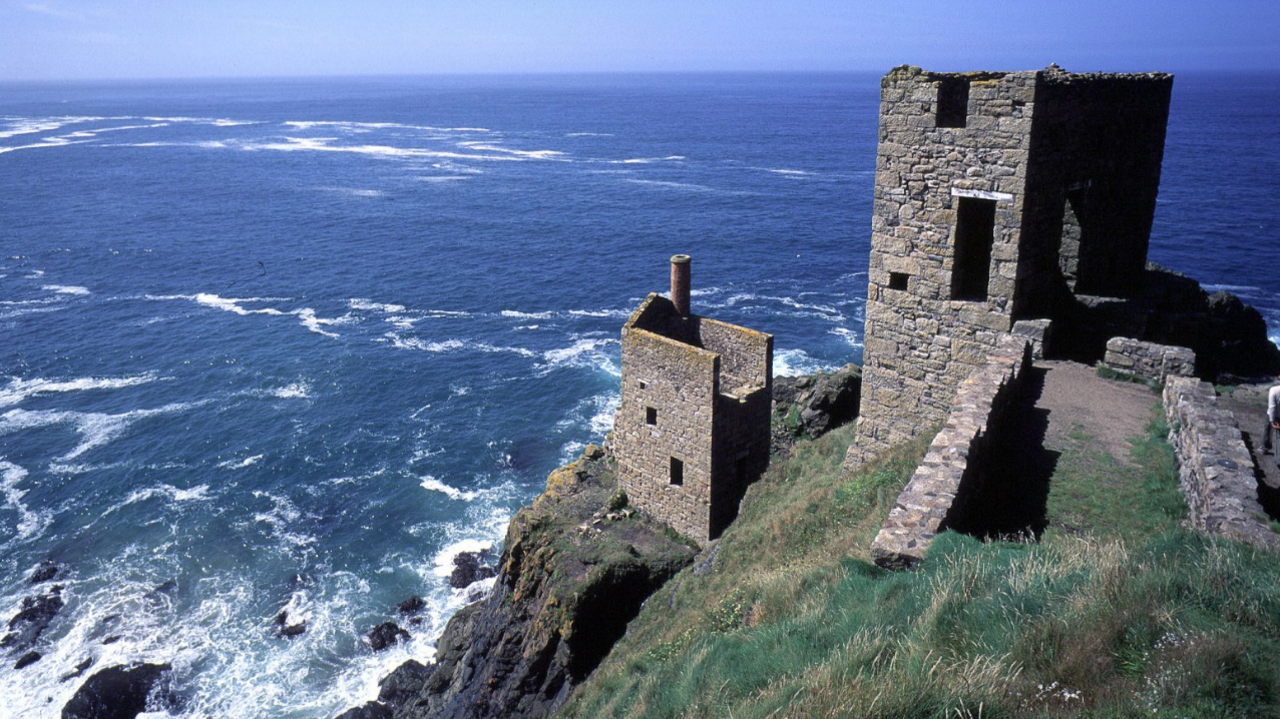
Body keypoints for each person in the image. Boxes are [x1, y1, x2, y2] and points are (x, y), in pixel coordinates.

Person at [1265, 376, 1280, 459]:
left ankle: (1264, 448)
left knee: (1267, 430)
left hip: (1271, 414)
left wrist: (1272, 420)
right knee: (1279, 437)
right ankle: (1278, 458)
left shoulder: (1273, 390)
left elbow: (1272, 407)